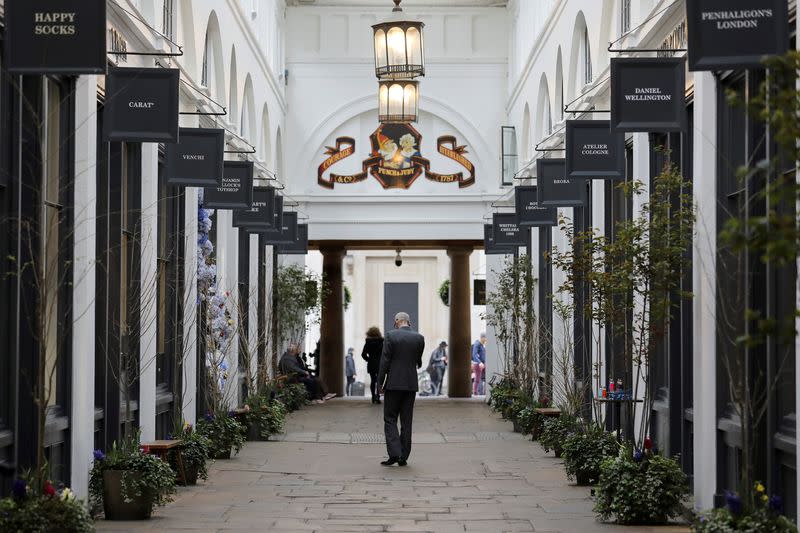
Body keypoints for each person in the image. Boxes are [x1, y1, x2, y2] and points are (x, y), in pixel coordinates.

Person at [378, 312, 424, 467]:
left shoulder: (391, 336)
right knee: (406, 420)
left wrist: (380, 383)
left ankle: (395, 453)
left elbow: (385, 361)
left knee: (390, 418)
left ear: (397, 321)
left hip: (393, 383)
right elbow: (419, 362)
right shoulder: (419, 338)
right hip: (410, 384)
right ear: (408, 322)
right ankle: (403, 456)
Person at [361, 326, 384, 404]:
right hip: (380, 364)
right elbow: (385, 353)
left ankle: (373, 396)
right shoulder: (382, 342)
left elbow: (363, 354)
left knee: (373, 380)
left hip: (371, 364)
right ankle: (378, 396)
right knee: (379, 381)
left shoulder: (368, 342)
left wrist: (368, 360)